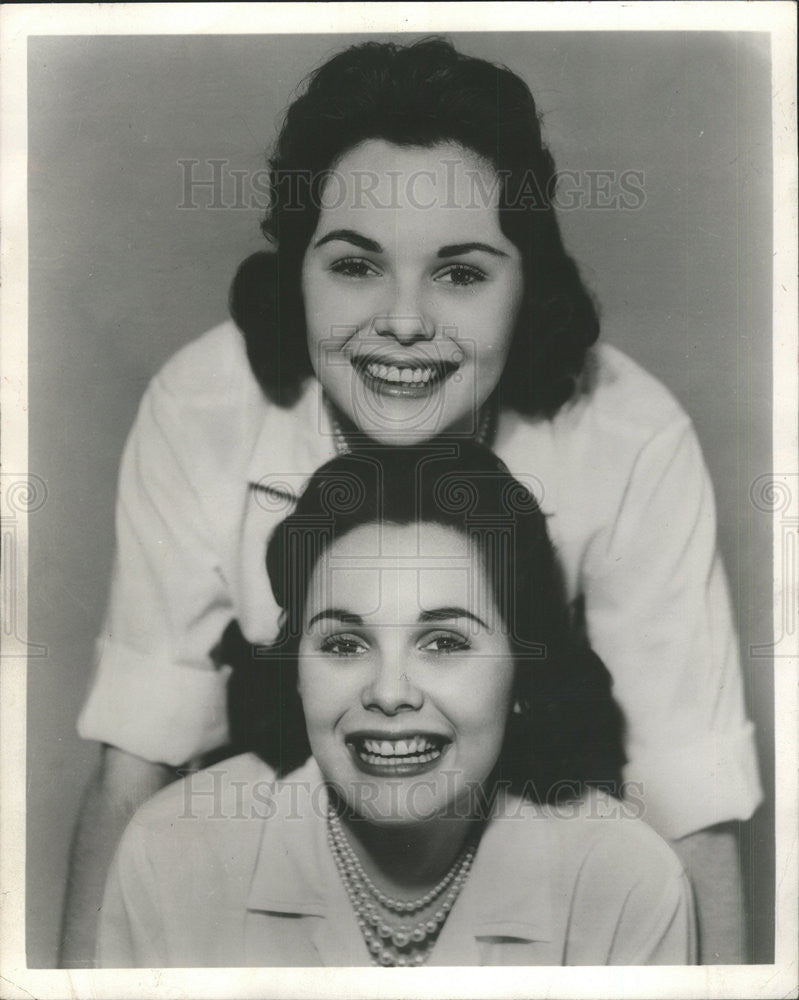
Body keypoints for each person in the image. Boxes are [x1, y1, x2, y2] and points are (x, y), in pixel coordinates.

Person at [63, 38, 760, 965]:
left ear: (526, 286)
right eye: (354, 265)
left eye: (460, 272)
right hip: (290, 833)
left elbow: (690, 798)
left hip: (546, 840)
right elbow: (134, 754)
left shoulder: (629, 435)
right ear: (296, 270)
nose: (402, 322)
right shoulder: (202, 408)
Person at [96, 445, 696, 967]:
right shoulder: (173, 855)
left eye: (444, 643)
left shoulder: (626, 883)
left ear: (523, 671)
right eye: (343, 643)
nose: (388, 693)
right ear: (296, 669)